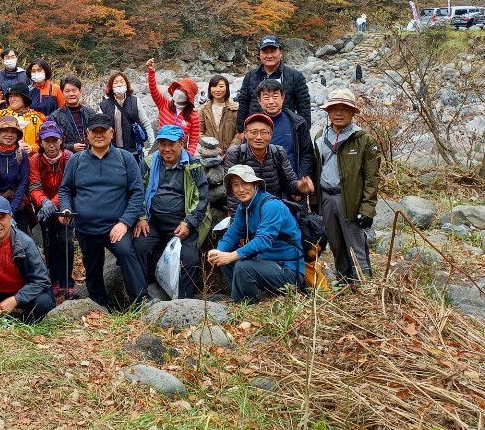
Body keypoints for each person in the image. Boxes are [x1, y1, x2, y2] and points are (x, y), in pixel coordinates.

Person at [57, 112, 148, 309]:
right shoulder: (76, 160)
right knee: (93, 267)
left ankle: (140, 302)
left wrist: (125, 222)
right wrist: (65, 207)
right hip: (86, 228)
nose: (99, 135)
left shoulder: (125, 158)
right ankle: (99, 306)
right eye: (94, 131)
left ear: (111, 132)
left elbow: (137, 192)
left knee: (126, 253)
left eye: (103, 131)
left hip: (116, 226)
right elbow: (65, 189)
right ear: (87, 134)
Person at [311, 89, 381, 284]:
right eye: (334, 109)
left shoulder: (363, 139)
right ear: (328, 112)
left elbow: (372, 177)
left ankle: (364, 284)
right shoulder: (319, 136)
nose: (339, 113)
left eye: (344, 109)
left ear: (353, 113)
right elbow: (315, 170)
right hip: (326, 197)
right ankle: (343, 280)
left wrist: (367, 209)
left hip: (350, 199)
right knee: (335, 243)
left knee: (355, 243)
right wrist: (315, 202)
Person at [207, 164, 304, 303]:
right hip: (265, 264)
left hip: (288, 271)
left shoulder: (271, 206)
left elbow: (263, 240)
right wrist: (219, 251)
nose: (241, 189)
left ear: (255, 184)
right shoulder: (244, 207)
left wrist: (232, 256)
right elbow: (232, 234)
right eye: (235, 185)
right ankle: (245, 295)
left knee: (242, 266)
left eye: (245, 183)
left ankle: (246, 304)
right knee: (223, 259)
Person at [133, 125, 209, 299]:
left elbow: (202, 198)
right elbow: (137, 191)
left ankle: (184, 301)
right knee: (139, 247)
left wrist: (189, 223)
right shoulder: (149, 163)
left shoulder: (193, 166)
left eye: (171, 144)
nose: (166, 149)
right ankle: (140, 299)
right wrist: (141, 217)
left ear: (181, 143)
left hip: (181, 222)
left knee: (190, 258)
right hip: (153, 221)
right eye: (162, 144)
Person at [0, 196, 56, 322]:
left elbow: (41, 280)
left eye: (2, 218)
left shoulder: (25, 243)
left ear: (10, 218)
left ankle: (23, 321)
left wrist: (16, 299)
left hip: (22, 291)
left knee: (44, 303)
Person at [222, 113, 313, 215]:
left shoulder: (278, 152)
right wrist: (237, 219)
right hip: (246, 211)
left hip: (273, 210)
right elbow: (231, 192)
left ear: (271, 135)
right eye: (253, 132)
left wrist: (299, 186)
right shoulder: (235, 154)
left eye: (264, 132)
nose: (259, 137)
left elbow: (290, 182)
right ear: (246, 134)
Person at [28, 121, 75, 298]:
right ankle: (53, 279)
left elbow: (68, 186)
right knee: (48, 243)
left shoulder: (69, 157)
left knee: (66, 241)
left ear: (61, 140)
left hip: (65, 206)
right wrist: (43, 202)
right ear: (40, 142)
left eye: (55, 140)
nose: (51, 144)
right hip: (43, 207)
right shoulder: (35, 159)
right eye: (47, 141)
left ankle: (67, 282)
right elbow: (34, 185)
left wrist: (53, 203)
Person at [237, 35, 311, 133]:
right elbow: (243, 103)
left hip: (286, 129)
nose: (269, 56)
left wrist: (303, 131)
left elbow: (304, 106)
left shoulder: (295, 76)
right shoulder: (250, 76)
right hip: (256, 130)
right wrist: (241, 130)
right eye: (265, 52)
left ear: (281, 52)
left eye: (273, 51)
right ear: (259, 54)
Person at [0, 116, 32, 232]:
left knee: (21, 237)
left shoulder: (22, 155)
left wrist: (11, 211)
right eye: (5, 131)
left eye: (13, 132)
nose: (9, 135)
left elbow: (23, 183)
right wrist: (0, 209)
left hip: (16, 200)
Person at [255, 80, 314, 179]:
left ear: (282, 98)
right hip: (263, 183)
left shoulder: (298, 123)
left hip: (291, 181)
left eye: (275, 96)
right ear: (259, 100)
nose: (271, 102)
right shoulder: (252, 125)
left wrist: (300, 182)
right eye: (266, 97)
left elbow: (307, 155)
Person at [145, 58, 200, 155]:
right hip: (160, 147)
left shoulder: (193, 116)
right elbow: (153, 90)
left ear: (189, 96)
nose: (178, 92)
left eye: (183, 91)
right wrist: (151, 72)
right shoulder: (164, 104)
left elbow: (193, 140)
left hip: (180, 151)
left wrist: (188, 156)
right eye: (178, 88)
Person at [100, 70, 154, 166]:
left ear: (126, 83)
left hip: (133, 150)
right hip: (112, 151)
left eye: (122, 81)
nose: (119, 85)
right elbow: (99, 127)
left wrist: (153, 145)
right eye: (115, 82)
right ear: (111, 86)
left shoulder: (135, 101)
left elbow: (146, 123)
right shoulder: (105, 105)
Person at [0, 82, 45, 154]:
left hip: (28, 161)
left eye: (16, 96)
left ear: (25, 99)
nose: (12, 99)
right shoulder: (3, 114)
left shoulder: (36, 118)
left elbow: (42, 142)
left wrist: (32, 148)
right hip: (4, 158)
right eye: (10, 96)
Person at [48, 75, 91, 153]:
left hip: (91, 155)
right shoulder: (55, 117)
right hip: (68, 157)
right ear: (62, 93)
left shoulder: (90, 112)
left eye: (74, 90)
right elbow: (52, 142)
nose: (71, 94)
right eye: (67, 91)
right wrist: (71, 147)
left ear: (80, 91)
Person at [197, 75, 239, 151]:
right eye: (214, 86)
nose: (218, 90)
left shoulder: (235, 108)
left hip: (232, 152)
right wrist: (211, 147)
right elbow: (199, 132)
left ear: (227, 88)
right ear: (210, 89)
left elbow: (239, 133)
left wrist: (231, 150)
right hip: (210, 153)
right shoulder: (204, 109)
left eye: (221, 86)